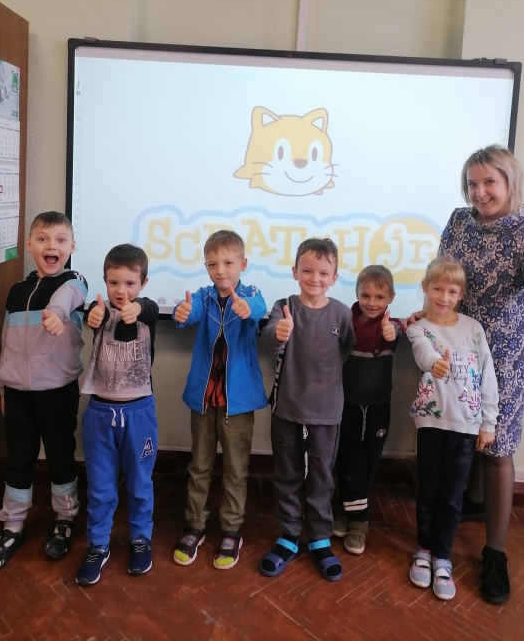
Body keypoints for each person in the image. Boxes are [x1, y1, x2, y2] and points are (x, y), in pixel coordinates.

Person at [408, 145, 524, 605]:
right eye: (472, 183)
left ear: (510, 181)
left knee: (497, 448)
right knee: (457, 437)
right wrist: (423, 321)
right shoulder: (459, 221)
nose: (479, 192)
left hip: (501, 354)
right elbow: (441, 277)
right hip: (448, 345)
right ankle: (466, 509)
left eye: (489, 182)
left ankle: (494, 554)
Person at [0, 211, 87, 572]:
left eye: (60, 240)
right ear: (29, 245)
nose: (51, 246)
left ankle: (65, 518)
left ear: (71, 246)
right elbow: (7, 344)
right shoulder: (16, 291)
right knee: (19, 459)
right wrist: (2, 386)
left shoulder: (74, 282)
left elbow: (69, 295)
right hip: (17, 392)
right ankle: (12, 525)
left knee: (60, 457)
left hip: (57, 390)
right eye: (42, 239)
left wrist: (56, 313)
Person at [260, 238, 355, 581]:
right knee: (286, 475)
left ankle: (319, 539)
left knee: (321, 477)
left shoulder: (342, 313)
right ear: (295, 272)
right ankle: (288, 535)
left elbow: (347, 349)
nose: (315, 278)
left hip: (327, 413)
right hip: (286, 409)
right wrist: (279, 333)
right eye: (308, 271)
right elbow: (267, 340)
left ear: (335, 277)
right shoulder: (283, 306)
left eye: (324, 273)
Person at [172, 230, 267, 570]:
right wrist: (183, 312)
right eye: (213, 264)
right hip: (204, 401)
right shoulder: (203, 296)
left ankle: (231, 529)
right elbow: (190, 312)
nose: (220, 270)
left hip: (236, 405)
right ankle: (195, 525)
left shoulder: (251, 295)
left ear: (243, 264)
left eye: (228, 263)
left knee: (235, 470)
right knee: (199, 466)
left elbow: (258, 308)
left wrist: (246, 308)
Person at [406, 256, 498, 600]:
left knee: (452, 494)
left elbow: (487, 375)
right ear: (425, 288)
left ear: (461, 294)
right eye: (438, 289)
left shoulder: (473, 328)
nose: (444, 297)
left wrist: (488, 422)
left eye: (452, 291)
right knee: (428, 489)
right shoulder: (418, 327)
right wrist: (435, 363)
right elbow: (422, 352)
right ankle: (423, 550)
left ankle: (442, 557)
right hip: (431, 422)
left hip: (466, 427)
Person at [75, 244, 159, 586]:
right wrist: (92, 317)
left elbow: (150, 308)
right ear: (105, 282)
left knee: (140, 483)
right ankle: (97, 544)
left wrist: (137, 307)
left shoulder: (147, 311)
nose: (121, 291)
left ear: (143, 283)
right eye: (113, 283)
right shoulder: (99, 311)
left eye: (129, 283)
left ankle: (140, 539)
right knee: (100, 486)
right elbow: (92, 316)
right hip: (100, 413)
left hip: (139, 415)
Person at [334, 265, 403, 555]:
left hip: (378, 409)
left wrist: (394, 330)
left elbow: (398, 331)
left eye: (379, 297)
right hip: (346, 405)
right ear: (356, 294)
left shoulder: (391, 325)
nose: (372, 302)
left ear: (391, 298)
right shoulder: (346, 321)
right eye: (366, 295)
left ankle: (345, 510)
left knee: (368, 463)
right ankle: (359, 520)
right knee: (348, 461)